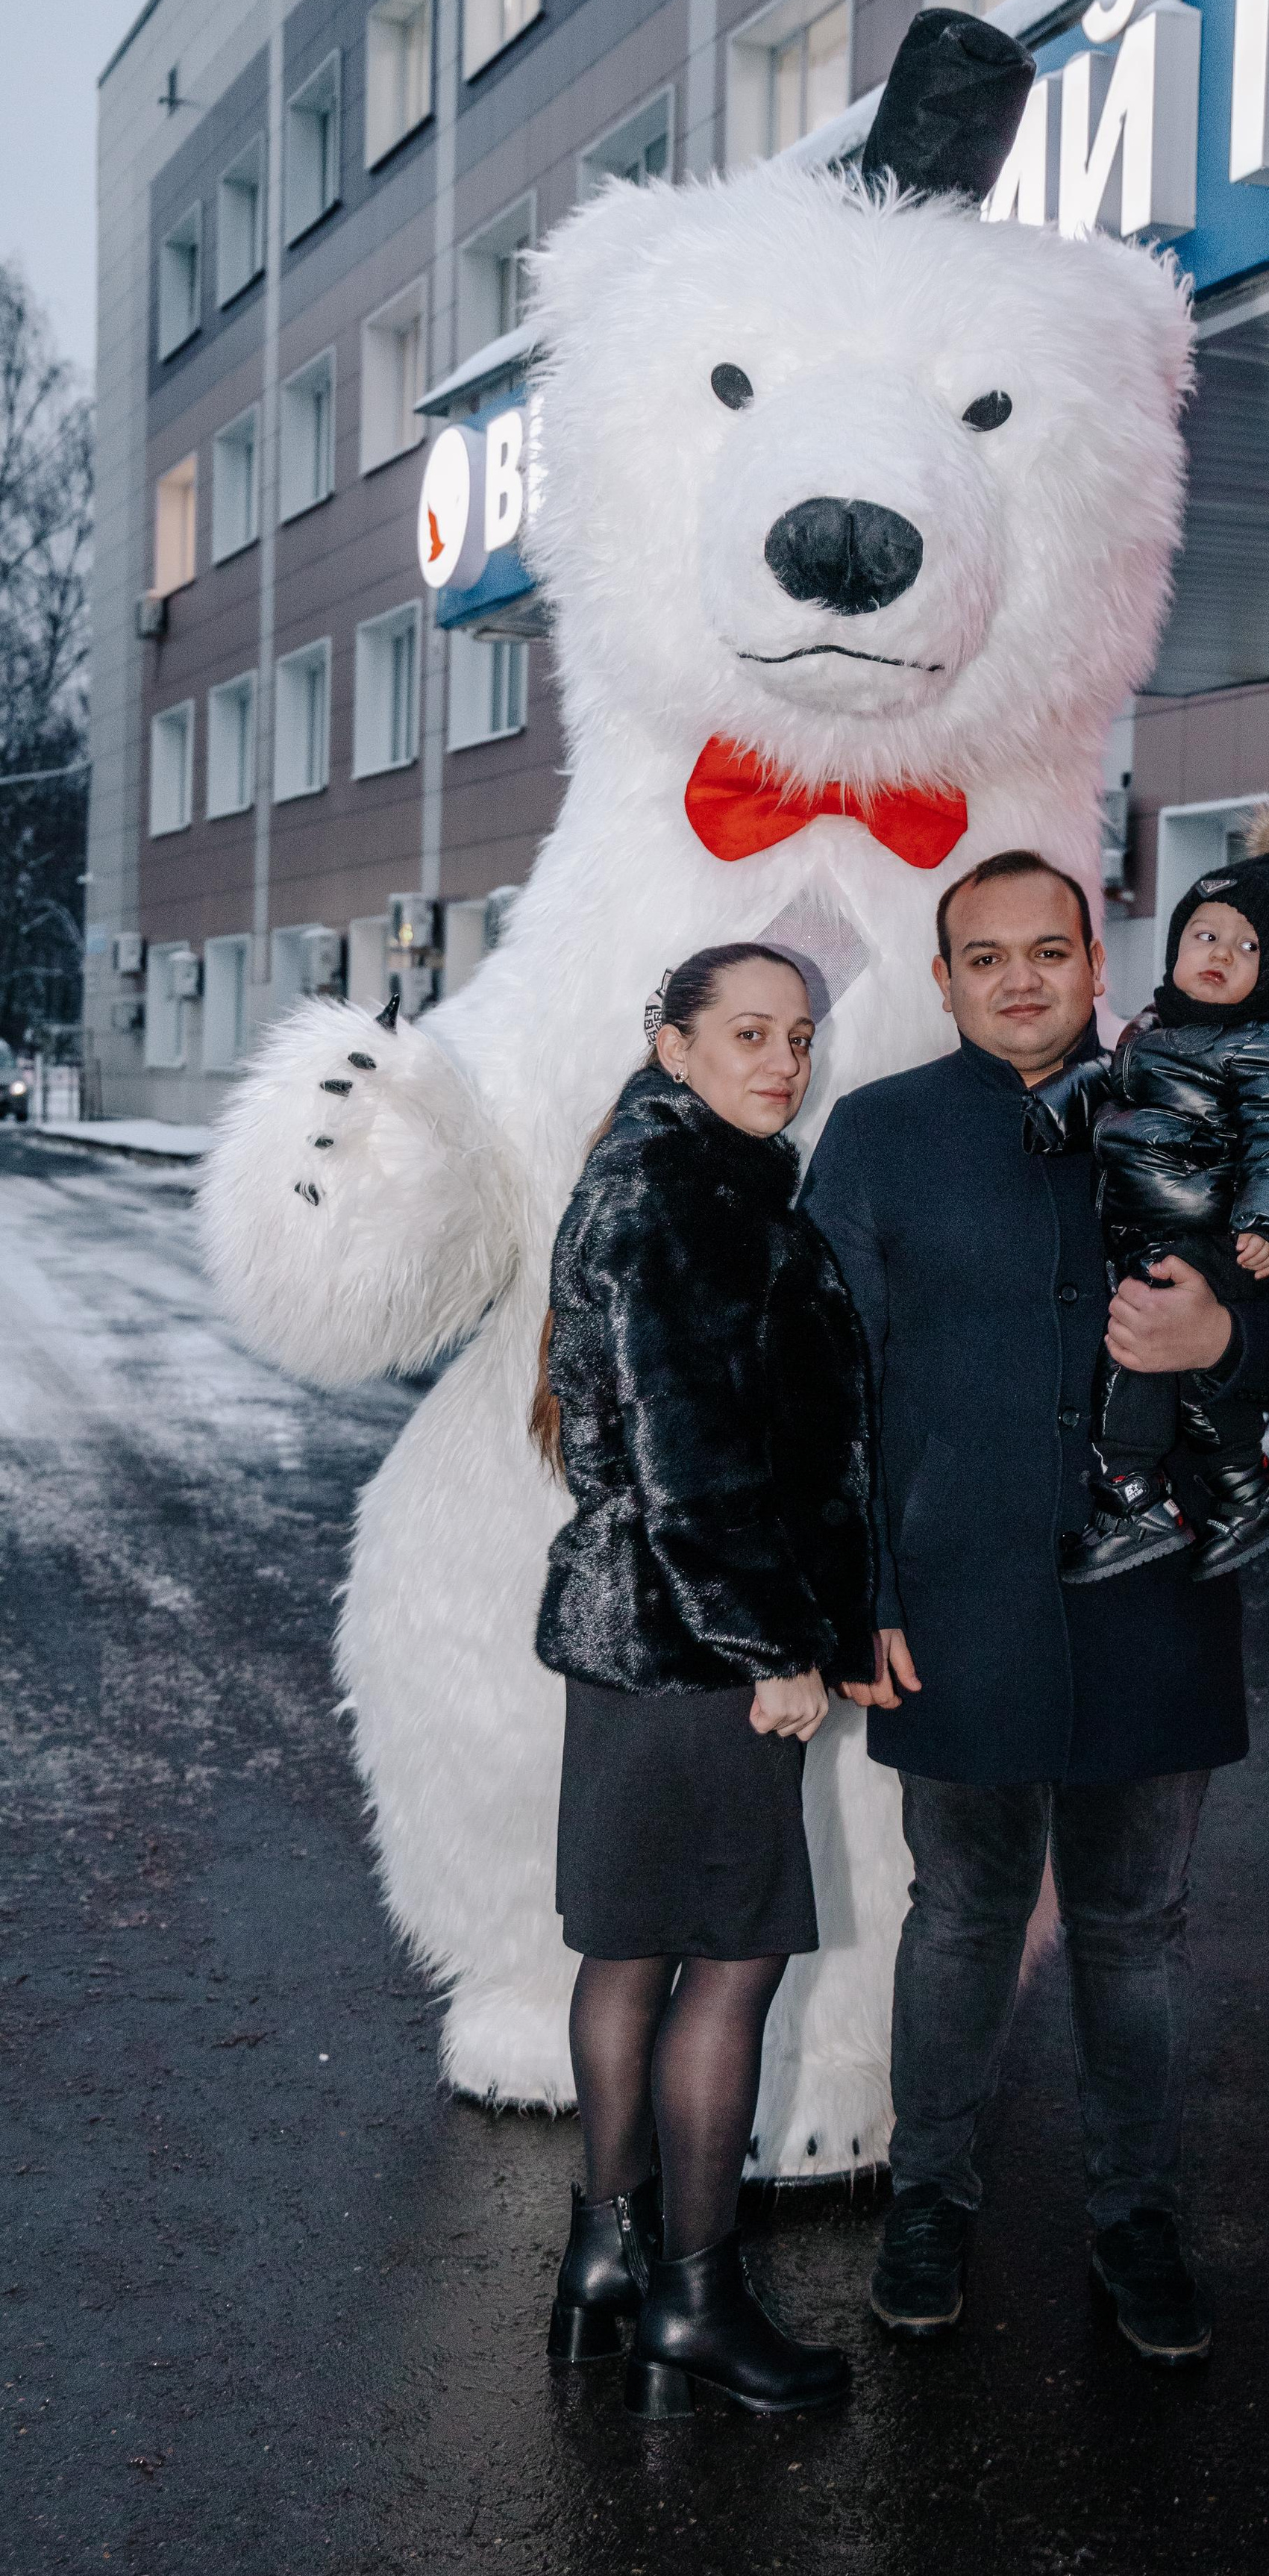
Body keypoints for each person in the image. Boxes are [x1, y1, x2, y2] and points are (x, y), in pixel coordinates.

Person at [801, 852, 1269, 2363]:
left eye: (1047, 949)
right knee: (961, 1919)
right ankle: (930, 2202)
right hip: (954, 1600)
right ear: (944, 979)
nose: (1020, 980)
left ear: (1092, 958)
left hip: (1150, 1594)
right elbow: (821, 1386)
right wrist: (854, 1600)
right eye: (984, 958)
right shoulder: (875, 1138)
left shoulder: (1196, 1085)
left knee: (1132, 1931)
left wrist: (1222, 1329)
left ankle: (1135, 2219)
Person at [531, 942, 877, 2419]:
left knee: (630, 1953)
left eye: (797, 1037)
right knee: (725, 1964)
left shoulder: (663, 1170)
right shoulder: (690, 1194)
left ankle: (602, 2267)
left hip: (633, 1643)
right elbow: (696, 1465)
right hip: (696, 1648)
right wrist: (775, 1648)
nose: (781, 1063)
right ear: (668, 1042)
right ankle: (693, 2297)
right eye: (747, 1033)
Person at [1024, 792, 1269, 1588]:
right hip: (1155, 1232)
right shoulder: (1155, 1033)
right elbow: (1109, 1080)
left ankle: (1134, 1493)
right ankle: (1242, 1492)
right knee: (1174, 1369)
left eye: (1244, 947)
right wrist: (1054, 1106)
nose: (1215, 953)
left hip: (1206, 1235)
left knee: (1137, 1357)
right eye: (1202, 935)